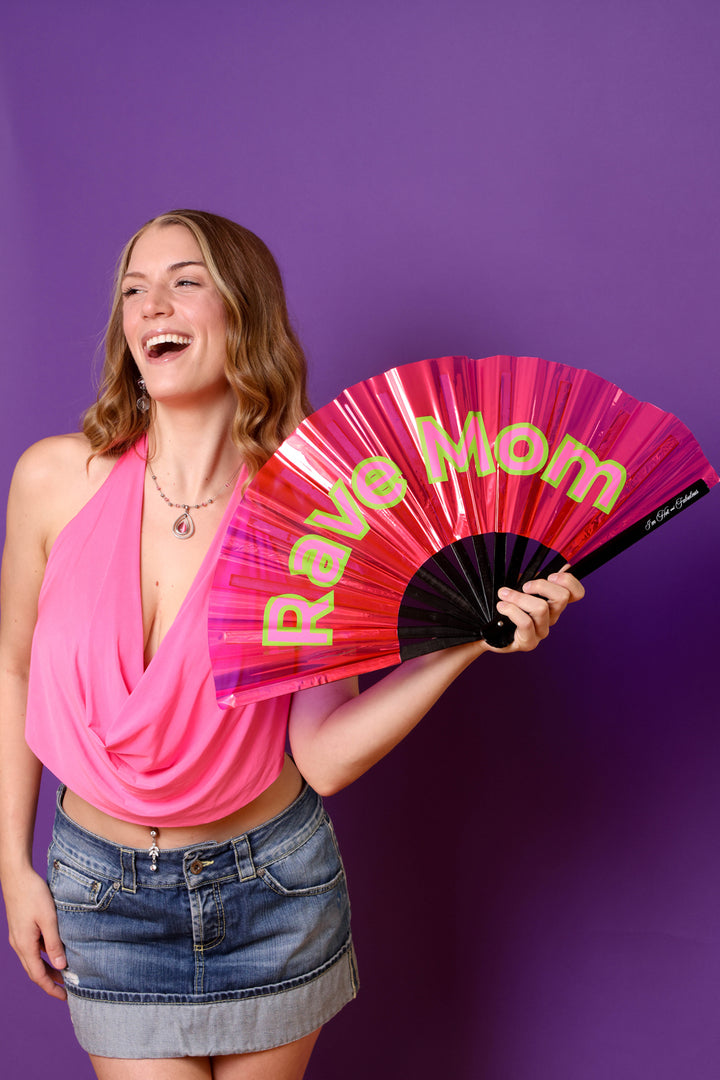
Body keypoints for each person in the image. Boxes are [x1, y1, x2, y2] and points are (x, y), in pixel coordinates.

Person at [0, 209, 584, 1079]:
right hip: (103, 894)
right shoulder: (52, 480)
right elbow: (11, 666)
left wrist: (466, 646)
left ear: (244, 310)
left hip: (269, 891)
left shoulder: (316, 521)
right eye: (133, 289)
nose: (152, 304)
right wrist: (12, 866)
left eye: (185, 280)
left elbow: (325, 756)